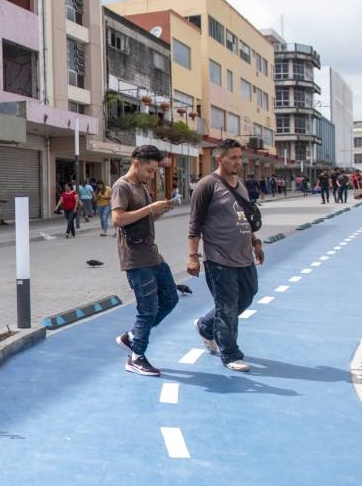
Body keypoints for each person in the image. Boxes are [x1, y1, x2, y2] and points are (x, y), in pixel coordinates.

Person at [187, 139, 264, 372]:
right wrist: (193, 256)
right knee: (227, 306)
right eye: (233, 158)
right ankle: (230, 354)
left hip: (244, 256)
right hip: (218, 258)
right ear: (219, 158)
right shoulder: (206, 185)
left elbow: (246, 218)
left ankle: (205, 325)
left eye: (240, 158)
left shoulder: (240, 184)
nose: (238, 162)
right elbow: (194, 225)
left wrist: (256, 242)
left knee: (248, 296)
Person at [111, 145, 178, 377]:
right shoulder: (122, 186)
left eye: (154, 171)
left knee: (170, 297)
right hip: (135, 258)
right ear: (136, 163)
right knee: (147, 308)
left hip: (152, 254)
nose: (152, 175)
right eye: (149, 170)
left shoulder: (142, 187)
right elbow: (118, 219)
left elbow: (142, 218)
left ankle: (132, 338)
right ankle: (136, 357)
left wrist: (161, 209)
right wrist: (151, 207)